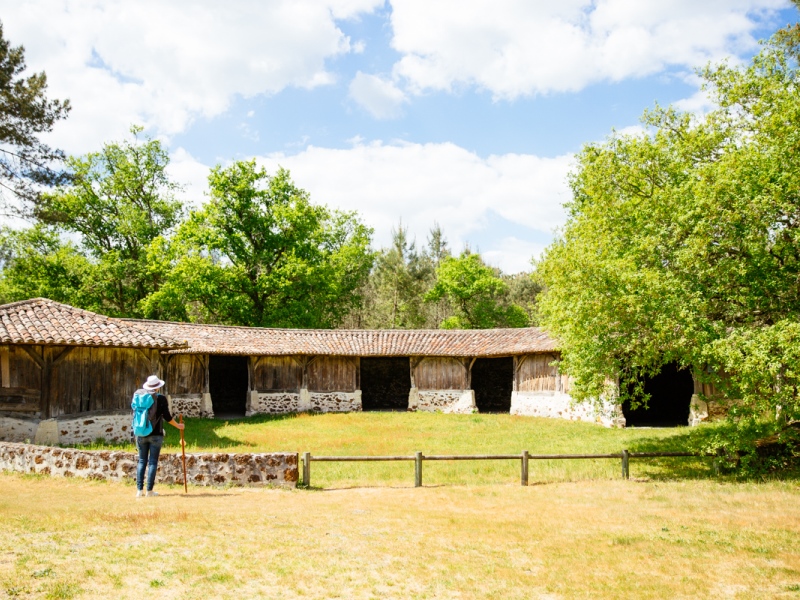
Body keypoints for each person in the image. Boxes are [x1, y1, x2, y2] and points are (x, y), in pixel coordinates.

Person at [134, 375, 184, 498]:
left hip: (140, 433)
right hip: (156, 434)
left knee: (141, 461)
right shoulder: (160, 398)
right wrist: (178, 426)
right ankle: (149, 491)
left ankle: (139, 491)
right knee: (152, 462)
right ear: (158, 387)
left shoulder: (139, 397)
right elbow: (167, 417)